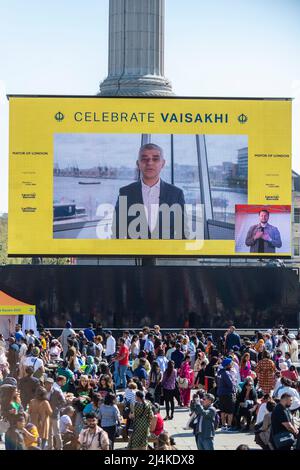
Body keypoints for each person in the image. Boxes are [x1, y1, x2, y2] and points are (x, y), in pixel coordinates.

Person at [112, 143, 188, 240]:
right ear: (138, 164)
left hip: (166, 253)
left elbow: (182, 233)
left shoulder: (176, 194)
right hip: (135, 253)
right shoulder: (125, 192)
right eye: (144, 159)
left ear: (163, 163)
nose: (150, 163)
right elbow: (118, 232)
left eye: (155, 159)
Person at [217, 357, 236, 432]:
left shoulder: (219, 372)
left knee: (223, 410)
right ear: (227, 365)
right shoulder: (226, 373)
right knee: (230, 411)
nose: (231, 365)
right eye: (230, 363)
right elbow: (231, 384)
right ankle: (229, 426)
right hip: (228, 393)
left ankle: (223, 426)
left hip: (221, 393)